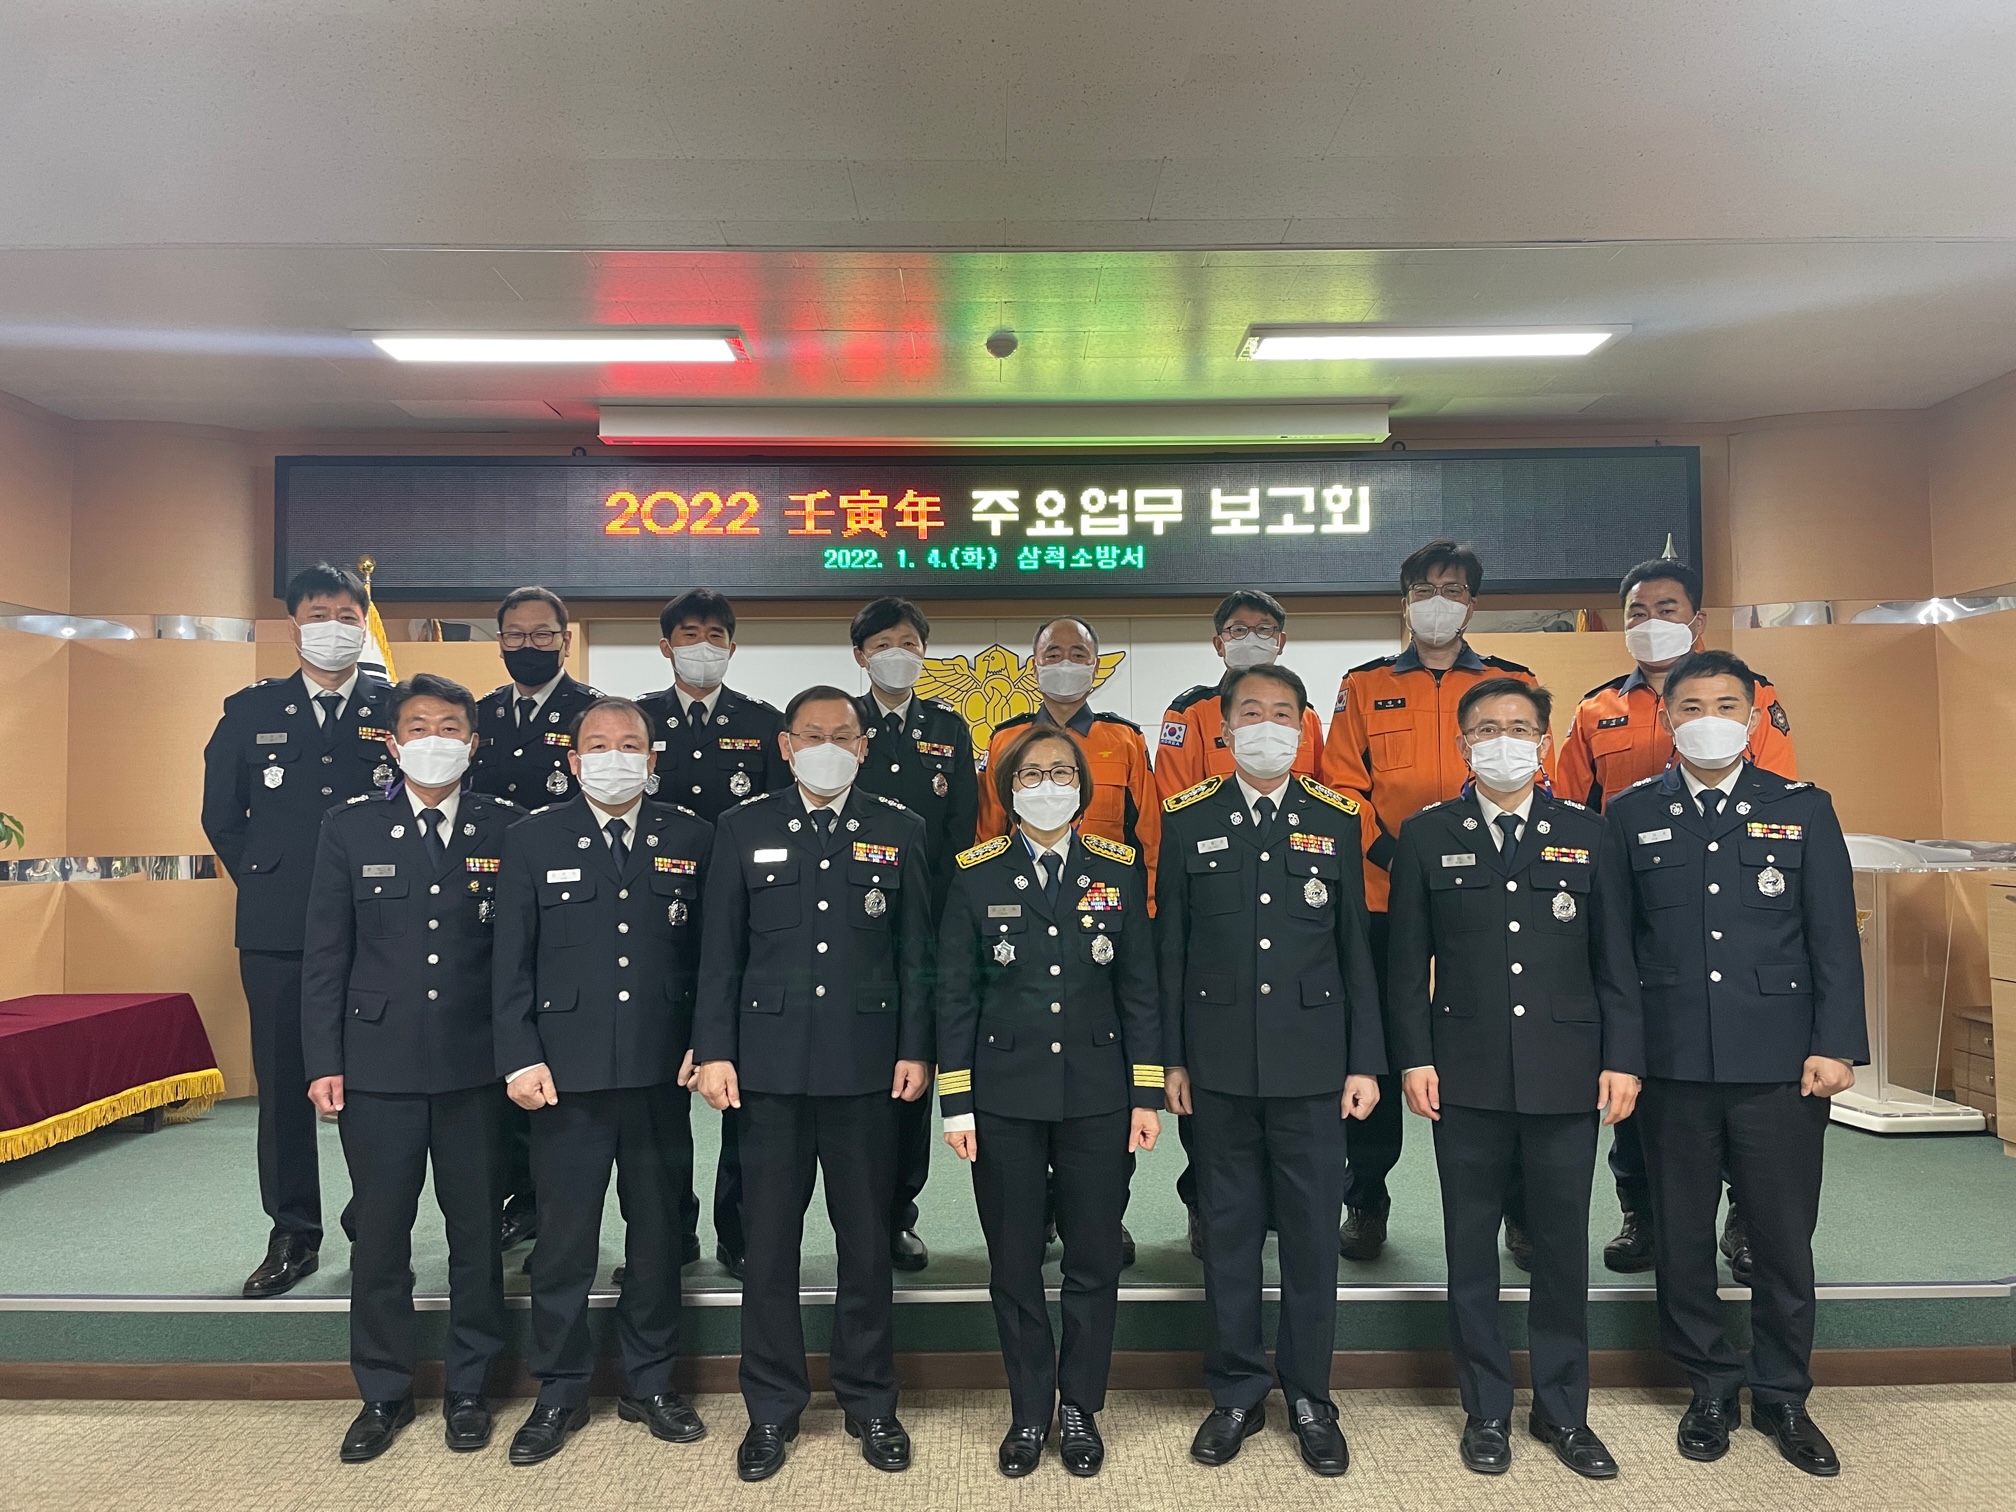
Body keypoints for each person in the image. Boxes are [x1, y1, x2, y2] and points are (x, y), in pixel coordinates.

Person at [1603, 650, 1866, 1478]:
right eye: (1691, 706)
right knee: (1682, 1236)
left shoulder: (1801, 806)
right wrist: (1623, 1056)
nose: (1708, 719)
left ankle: (1784, 1392)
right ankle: (1710, 1384)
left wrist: (1836, 1044)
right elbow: (1617, 950)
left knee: (1782, 1236)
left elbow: (1833, 935)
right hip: (1672, 1063)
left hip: (1779, 1062)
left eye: (1725, 705)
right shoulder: (1629, 812)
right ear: (1666, 718)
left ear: (1752, 719)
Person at [1386, 677, 1643, 1480]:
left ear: (1544, 741)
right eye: (1488, 729)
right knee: (1471, 1249)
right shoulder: (1427, 834)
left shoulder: (1589, 833)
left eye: (1521, 728)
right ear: (1463, 745)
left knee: (1562, 1248)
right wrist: (1414, 1058)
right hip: (1463, 1077)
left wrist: (1623, 1058)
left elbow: (1616, 962)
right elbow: (1405, 967)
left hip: (1567, 1073)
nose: (1505, 741)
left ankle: (1565, 1411)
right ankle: (1486, 1409)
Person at [692, 687, 934, 1482]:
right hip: (766, 1073)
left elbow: (915, 955)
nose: (828, 747)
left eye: (843, 735)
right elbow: (720, 953)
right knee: (768, 1247)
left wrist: (916, 1048)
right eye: (812, 735)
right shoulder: (743, 826)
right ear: (787, 746)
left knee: (866, 1244)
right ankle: (771, 1407)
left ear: (863, 747)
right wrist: (714, 1050)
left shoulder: (901, 827)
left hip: (867, 1069)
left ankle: (871, 1401)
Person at [1157, 665, 1384, 1478]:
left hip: (1313, 1065)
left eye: (1283, 713)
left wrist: (1365, 1062)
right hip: (1217, 1065)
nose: (1267, 725)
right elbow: (1172, 948)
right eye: (1250, 712)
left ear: (1304, 728)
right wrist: (1171, 1059)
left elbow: (1356, 948)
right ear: (1224, 728)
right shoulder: (1188, 816)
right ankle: (1237, 1393)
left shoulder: (1335, 816)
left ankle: (1312, 1396)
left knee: (1314, 1239)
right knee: (1229, 1234)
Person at [1554, 558, 1799, 1275]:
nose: (1651, 622)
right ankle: (1643, 1211)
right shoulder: (1596, 709)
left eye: (1667, 608)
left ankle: (1746, 1216)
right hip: (1637, 910)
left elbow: (1778, 798)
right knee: (1636, 1065)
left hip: (1735, 908)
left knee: (1739, 1079)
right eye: (1637, 610)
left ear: (1696, 620)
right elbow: (1570, 811)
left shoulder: (1752, 694)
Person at [935, 724, 1162, 1479]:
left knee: (1094, 1259)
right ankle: (1030, 1408)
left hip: (1099, 1095)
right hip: (1004, 1096)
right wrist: (957, 1103)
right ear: (1007, 790)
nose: (1047, 785)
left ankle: (1080, 1406)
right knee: (1014, 1261)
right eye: (1030, 774)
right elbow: (955, 996)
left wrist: (1146, 1095)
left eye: (1061, 772)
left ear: (1082, 787)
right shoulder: (975, 873)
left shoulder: (1116, 867)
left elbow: (1139, 990)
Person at [491, 697, 713, 1466]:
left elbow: (712, 957)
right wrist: (518, 1055)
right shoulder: (531, 837)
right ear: (573, 759)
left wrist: (708, 1042)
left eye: (629, 745)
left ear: (652, 760)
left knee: (657, 1236)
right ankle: (558, 1388)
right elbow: (510, 963)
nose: (614, 757)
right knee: (563, 1242)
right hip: (563, 1077)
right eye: (597, 744)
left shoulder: (691, 836)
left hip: (659, 1071)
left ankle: (651, 1381)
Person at [301, 673, 513, 1462]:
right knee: (381, 1236)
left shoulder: (508, 827)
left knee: (476, 1236)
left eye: (450, 726)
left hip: (476, 1065)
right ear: (391, 743)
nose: (434, 739)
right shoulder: (349, 828)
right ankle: (383, 1390)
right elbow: (326, 956)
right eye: (418, 727)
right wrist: (323, 1059)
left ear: (473, 743)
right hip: (377, 1066)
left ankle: (471, 1387)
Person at [1318, 539, 1538, 1264]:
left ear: (1472, 604)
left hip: (1493, 898)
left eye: (1453, 589)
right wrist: (1398, 856)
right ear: (1405, 601)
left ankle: (1518, 1207)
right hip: (1385, 894)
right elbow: (1342, 787)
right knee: (1378, 1053)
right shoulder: (1364, 685)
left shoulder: (1512, 681)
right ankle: (1365, 1197)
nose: (1437, 601)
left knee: (1500, 1048)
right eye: (1423, 589)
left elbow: (1534, 778)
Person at [202, 561, 394, 1298]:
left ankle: (373, 1217)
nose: (334, 628)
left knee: (376, 1081)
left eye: (348, 616)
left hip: (378, 926)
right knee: (284, 1084)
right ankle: (293, 1233)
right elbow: (222, 815)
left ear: (363, 625)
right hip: (279, 927)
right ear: (294, 627)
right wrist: (268, 878)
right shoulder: (250, 711)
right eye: (320, 615)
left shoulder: (394, 706)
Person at [1155, 588, 1332, 1253]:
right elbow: (1175, 805)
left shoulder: (1307, 715)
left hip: (1293, 899)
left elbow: (1320, 801)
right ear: (1217, 641)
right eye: (1237, 629)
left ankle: (1283, 1207)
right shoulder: (1187, 712)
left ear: (1282, 641)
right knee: (1213, 1103)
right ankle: (1206, 1204)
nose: (1249, 637)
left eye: (1262, 629)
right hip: (1214, 895)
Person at [636, 587, 793, 1277]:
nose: (703, 645)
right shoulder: (635, 721)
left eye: (716, 635)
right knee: (654, 1093)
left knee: (738, 1085)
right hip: (650, 926)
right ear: (665, 645)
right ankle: (669, 1232)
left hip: (742, 924)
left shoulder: (763, 724)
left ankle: (739, 1230)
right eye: (689, 634)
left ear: (733, 645)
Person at [468, 585, 604, 1260]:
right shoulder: (479, 715)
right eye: (516, 635)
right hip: (482, 907)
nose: (529, 645)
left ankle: (549, 1205)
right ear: (500, 641)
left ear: (565, 639)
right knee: (502, 1063)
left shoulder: (594, 714)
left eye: (542, 634)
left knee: (561, 1069)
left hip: (570, 912)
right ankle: (512, 1198)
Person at [849, 595, 979, 1272]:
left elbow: (963, 830)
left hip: (924, 927)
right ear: (860, 655)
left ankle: (899, 1213)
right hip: (851, 926)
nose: (897, 655)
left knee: (912, 1068)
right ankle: (856, 1215)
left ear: (925, 652)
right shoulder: (841, 724)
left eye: (909, 643)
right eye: (883, 644)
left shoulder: (948, 728)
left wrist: (950, 922)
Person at [976, 616, 1160, 884]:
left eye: (1078, 655)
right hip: (1022, 889)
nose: (1065, 664)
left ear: (1095, 667)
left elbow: (1150, 836)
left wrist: (1150, 903)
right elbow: (987, 836)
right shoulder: (1005, 740)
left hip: (1105, 890)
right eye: (1053, 655)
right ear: (1035, 667)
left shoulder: (1125, 740)